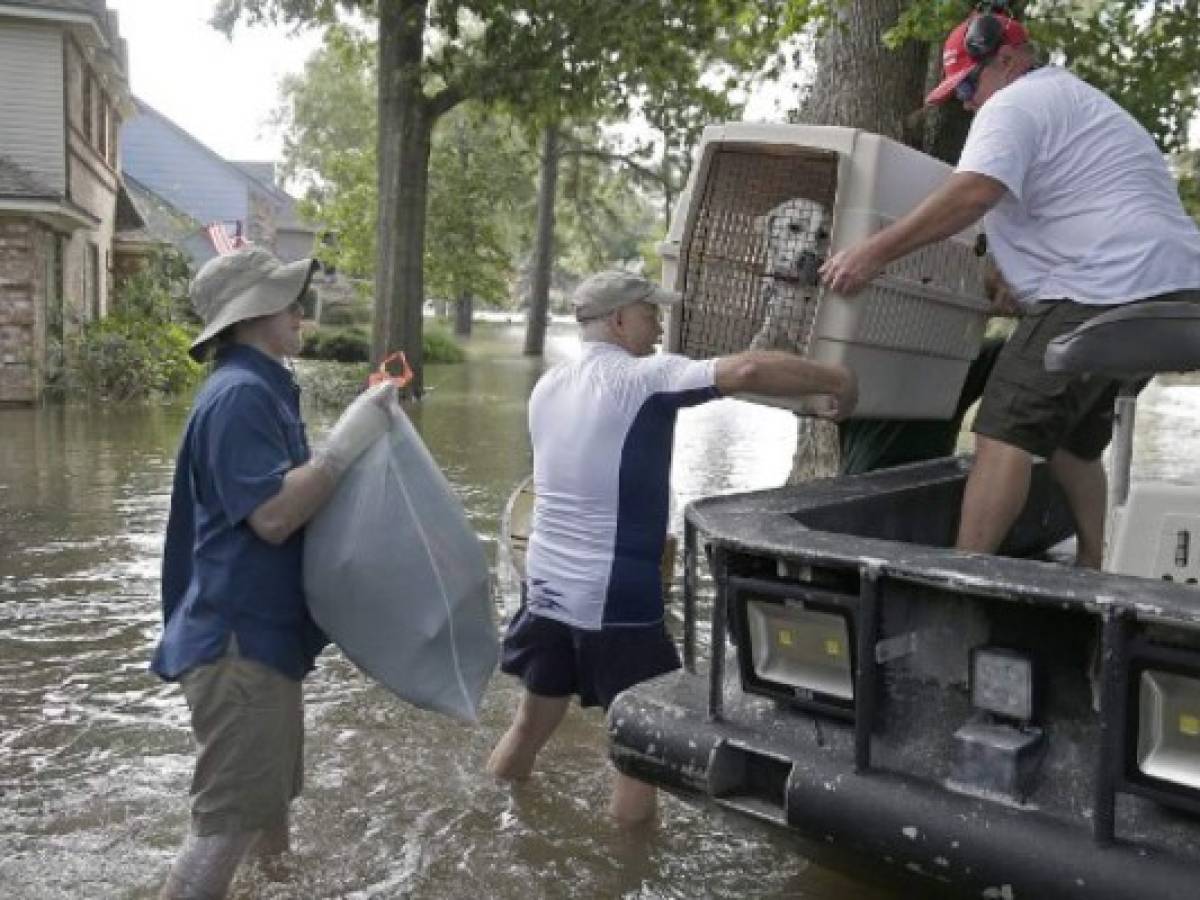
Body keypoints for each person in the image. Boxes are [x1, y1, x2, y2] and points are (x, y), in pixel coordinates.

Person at [819, 6, 1200, 567]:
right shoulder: (1078, 103)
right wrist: (1011, 278)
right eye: (958, 94)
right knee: (1071, 444)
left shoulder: (1014, 102)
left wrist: (871, 254)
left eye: (969, 84)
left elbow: (972, 193)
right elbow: (1068, 205)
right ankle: (1095, 568)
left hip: (1104, 287)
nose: (968, 101)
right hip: (1175, 291)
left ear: (1007, 58)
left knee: (1000, 430)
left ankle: (958, 580)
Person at [485, 270, 857, 825]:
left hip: (543, 585)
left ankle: (494, 818)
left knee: (529, 725)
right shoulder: (642, 379)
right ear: (617, 320)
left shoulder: (548, 386)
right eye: (649, 311)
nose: (660, 323)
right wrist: (836, 379)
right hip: (612, 593)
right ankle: (625, 871)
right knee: (640, 750)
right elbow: (749, 369)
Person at [153, 247, 397, 899]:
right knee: (224, 829)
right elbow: (272, 516)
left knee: (266, 813)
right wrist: (347, 442)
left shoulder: (258, 387)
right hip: (238, 650)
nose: (300, 309)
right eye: (288, 298)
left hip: (257, 644)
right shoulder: (239, 395)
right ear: (254, 312)